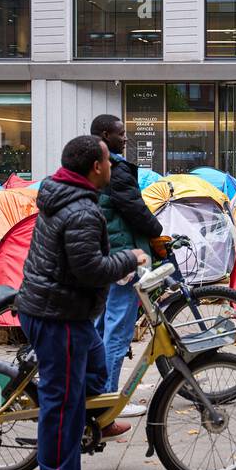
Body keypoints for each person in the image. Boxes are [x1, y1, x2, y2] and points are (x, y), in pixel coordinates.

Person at [14, 135, 149, 470]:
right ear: (95, 167)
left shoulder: (64, 194)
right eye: (109, 160)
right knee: (62, 405)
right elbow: (90, 269)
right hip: (58, 314)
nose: (113, 166)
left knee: (96, 365)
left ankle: (93, 423)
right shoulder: (82, 211)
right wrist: (128, 259)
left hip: (61, 309)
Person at [91, 114, 163, 417]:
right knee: (118, 331)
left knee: (101, 326)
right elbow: (134, 207)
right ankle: (108, 400)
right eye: (121, 134)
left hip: (106, 255)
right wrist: (157, 230)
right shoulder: (117, 170)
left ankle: (94, 393)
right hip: (124, 257)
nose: (126, 138)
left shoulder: (94, 168)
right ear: (106, 135)